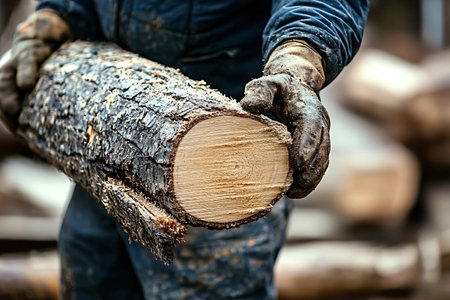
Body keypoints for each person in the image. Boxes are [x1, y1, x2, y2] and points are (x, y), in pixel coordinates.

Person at [0, 1, 370, 299]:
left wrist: (299, 60)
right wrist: (58, 14)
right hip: (106, 150)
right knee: (89, 276)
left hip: (225, 169)